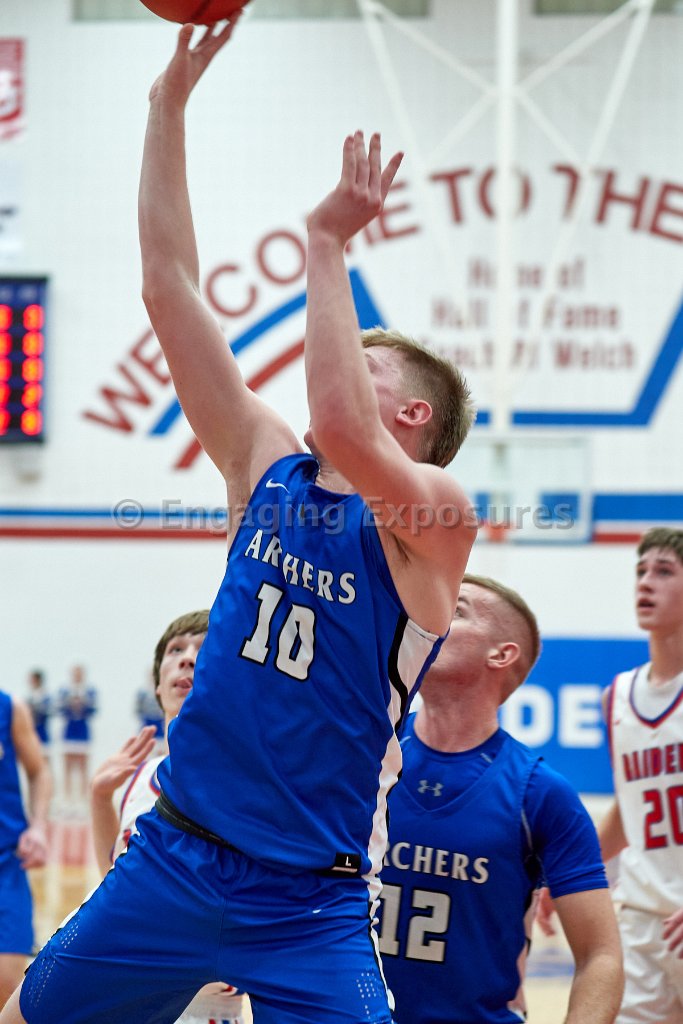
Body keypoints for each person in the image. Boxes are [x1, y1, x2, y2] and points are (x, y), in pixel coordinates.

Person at [2, 18, 476, 1024]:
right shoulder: (266, 465)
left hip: (309, 899)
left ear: (412, 416)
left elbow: (342, 422)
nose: (326, 366)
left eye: (363, 360)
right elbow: (167, 286)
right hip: (173, 859)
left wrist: (324, 241)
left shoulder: (433, 521)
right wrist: (165, 107)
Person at [377, 573, 624, 1024]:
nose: (429, 617)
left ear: (501, 654)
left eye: (456, 610)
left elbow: (601, 955)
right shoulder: (366, 750)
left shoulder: (541, 793)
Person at [90, 610, 244, 1024]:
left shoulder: (245, 779)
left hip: (202, 1006)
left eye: (203, 649)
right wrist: (100, 799)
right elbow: (114, 877)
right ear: (157, 684)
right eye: (176, 650)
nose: (187, 658)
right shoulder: (137, 774)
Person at [596, 527, 683, 1023]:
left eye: (664, 571)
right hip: (642, 922)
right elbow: (632, 807)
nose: (646, 582)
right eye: (641, 571)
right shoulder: (617, 697)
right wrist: (566, 872)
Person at [0, 690, 52, 1008]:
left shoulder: (9, 707)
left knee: (7, 988)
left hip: (6, 864)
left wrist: (38, 826)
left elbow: (39, 771)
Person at [57, 664, 98, 806]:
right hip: (69, 731)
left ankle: (83, 797)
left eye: (79, 673)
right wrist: (70, 704)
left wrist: (83, 703)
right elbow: (59, 710)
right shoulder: (65, 691)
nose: (77, 676)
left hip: (82, 731)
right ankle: (68, 797)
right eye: (75, 673)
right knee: (67, 765)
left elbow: (94, 710)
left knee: (83, 765)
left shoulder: (90, 691)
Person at [132, 669, 165, 754]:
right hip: (147, 722)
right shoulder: (143, 692)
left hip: (160, 723)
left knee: (161, 746)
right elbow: (138, 708)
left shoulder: (163, 691)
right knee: (144, 745)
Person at [25, 672, 51, 755]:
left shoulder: (46, 696)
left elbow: (48, 712)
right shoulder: (29, 696)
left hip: (42, 729)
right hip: (30, 730)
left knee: (45, 754)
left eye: (32, 680)